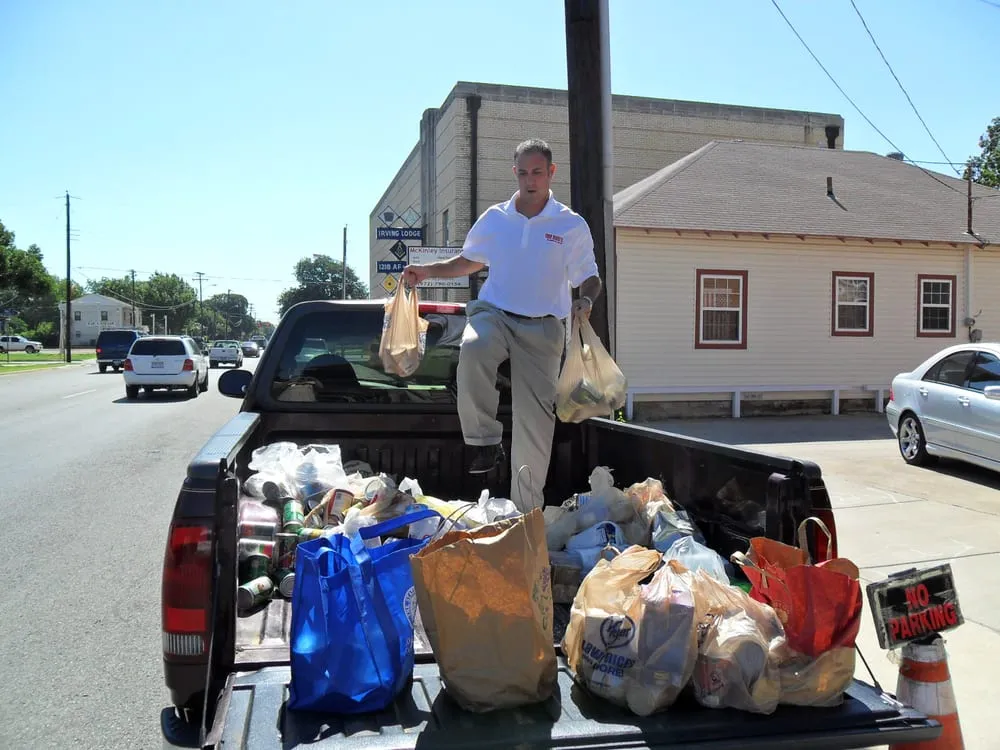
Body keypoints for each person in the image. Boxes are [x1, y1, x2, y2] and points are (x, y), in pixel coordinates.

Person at [402, 138, 602, 511]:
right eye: (523, 173)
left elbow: (590, 276)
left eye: (537, 172)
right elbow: (467, 262)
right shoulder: (496, 218)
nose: (530, 180)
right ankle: (484, 442)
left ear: (551, 173)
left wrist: (586, 300)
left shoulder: (569, 224)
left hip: (543, 328)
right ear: (515, 173)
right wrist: (426, 271)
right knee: (475, 347)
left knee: (535, 426)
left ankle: (526, 516)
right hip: (494, 313)